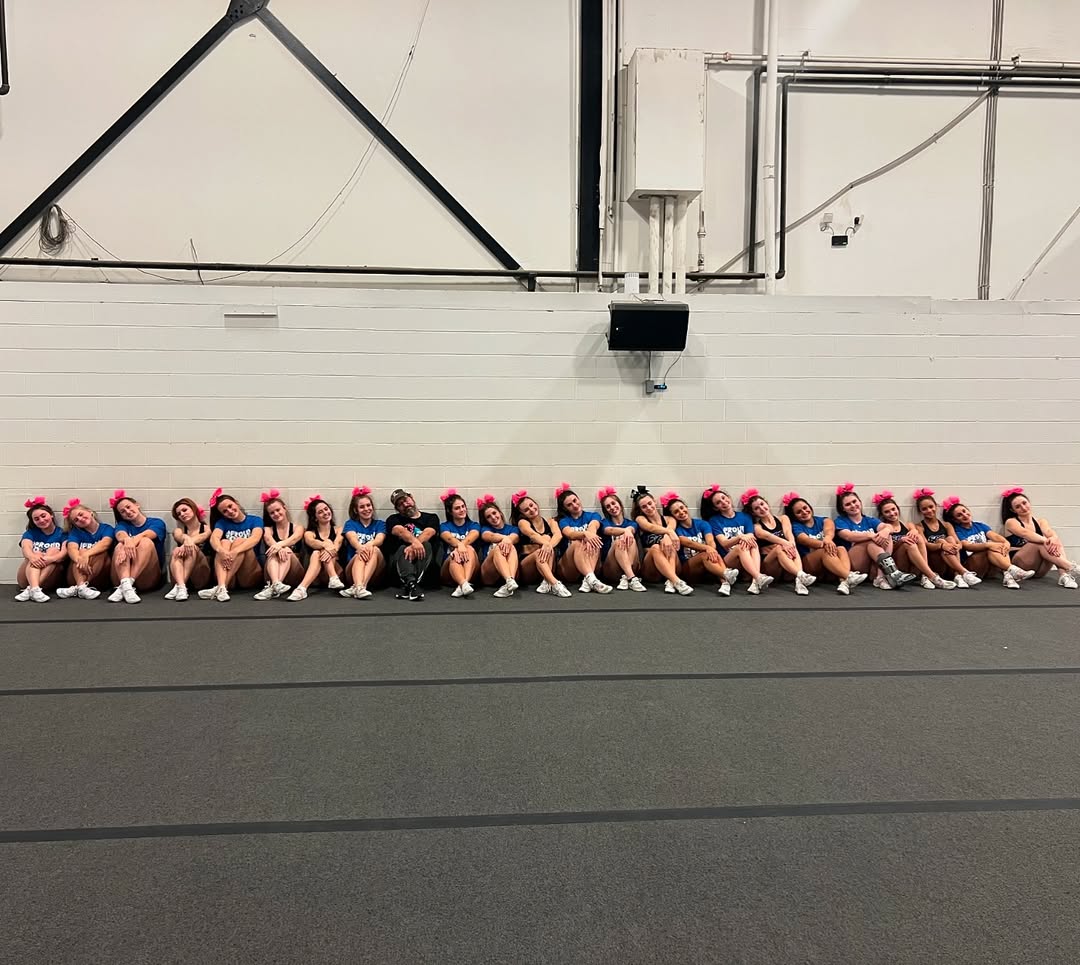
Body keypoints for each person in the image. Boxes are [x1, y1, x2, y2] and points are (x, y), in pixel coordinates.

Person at [833, 483, 916, 589]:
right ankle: (893, 572)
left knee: (887, 536)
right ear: (843, 508)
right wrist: (870, 535)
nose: (853, 505)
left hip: (873, 563)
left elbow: (888, 527)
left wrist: (886, 531)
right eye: (848, 504)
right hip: (854, 563)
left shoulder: (869, 520)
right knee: (870, 541)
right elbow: (848, 536)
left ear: (860, 502)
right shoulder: (840, 521)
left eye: (854, 501)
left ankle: (880, 577)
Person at [942, 495, 1034, 589]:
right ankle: (1012, 570)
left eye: (964, 511)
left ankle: (1008, 575)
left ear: (968, 510)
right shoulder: (957, 530)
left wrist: (1006, 543)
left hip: (989, 568)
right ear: (955, 520)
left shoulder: (980, 525)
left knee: (999, 545)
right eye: (959, 515)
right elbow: (967, 546)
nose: (964, 515)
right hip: (972, 566)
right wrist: (988, 545)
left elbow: (996, 536)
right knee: (991, 547)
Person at [873, 491, 956, 590]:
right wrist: (900, 541)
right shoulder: (884, 529)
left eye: (893, 509)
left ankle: (925, 575)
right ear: (882, 515)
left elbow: (915, 532)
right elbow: (886, 553)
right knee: (908, 544)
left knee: (918, 538)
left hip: (913, 566)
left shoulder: (908, 525)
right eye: (887, 512)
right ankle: (932, 576)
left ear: (898, 509)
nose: (892, 513)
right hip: (897, 566)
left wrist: (914, 531)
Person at [784, 493, 865, 594]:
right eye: (799, 512)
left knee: (841, 548)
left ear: (810, 507)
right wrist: (824, 544)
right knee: (824, 551)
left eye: (805, 508)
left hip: (828, 560)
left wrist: (828, 539)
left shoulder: (824, 520)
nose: (804, 512)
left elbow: (829, 530)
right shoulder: (796, 526)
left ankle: (844, 583)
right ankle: (848, 576)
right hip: (809, 563)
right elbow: (803, 539)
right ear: (794, 516)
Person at [1000, 487, 1080, 589]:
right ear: (1013, 510)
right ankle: (1071, 567)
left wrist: (1053, 538)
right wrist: (1048, 541)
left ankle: (1064, 576)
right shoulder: (1011, 522)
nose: (1023, 508)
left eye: (1024, 503)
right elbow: (1025, 534)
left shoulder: (1041, 521)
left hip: (1039, 570)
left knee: (1054, 541)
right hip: (1020, 565)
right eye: (1018, 507)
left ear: (1029, 502)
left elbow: (1050, 532)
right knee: (1038, 543)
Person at [743, 488, 816, 595]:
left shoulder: (783, 518)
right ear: (754, 513)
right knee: (780, 547)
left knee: (791, 545)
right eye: (757, 508)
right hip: (770, 566)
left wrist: (791, 543)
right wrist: (785, 543)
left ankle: (799, 581)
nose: (762, 508)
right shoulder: (757, 526)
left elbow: (788, 533)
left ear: (767, 503)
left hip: (787, 563)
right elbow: (766, 536)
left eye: (762, 504)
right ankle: (801, 575)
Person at [699, 485, 768, 593]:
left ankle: (755, 583)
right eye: (718, 502)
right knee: (740, 547)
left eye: (723, 498)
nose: (723, 502)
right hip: (728, 560)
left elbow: (750, 536)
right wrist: (740, 537)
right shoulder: (714, 520)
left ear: (729, 498)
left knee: (753, 544)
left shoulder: (745, 517)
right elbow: (724, 543)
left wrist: (745, 538)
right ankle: (758, 576)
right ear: (715, 508)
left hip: (746, 558)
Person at [199, 489, 265, 601]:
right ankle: (222, 587)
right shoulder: (222, 523)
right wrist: (221, 551)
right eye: (225, 511)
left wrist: (235, 551)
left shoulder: (255, 520)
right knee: (223, 542)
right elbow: (214, 538)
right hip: (231, 576)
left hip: (249, 573)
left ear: (236, 503)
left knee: (239, 541)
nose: (229, 511)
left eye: (230, 506)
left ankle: (220, 587)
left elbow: (255, 538)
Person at [664, 492, 731, 595]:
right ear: (673, 516)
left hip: (707, 565)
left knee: (713, 551)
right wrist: (707, 548)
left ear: (686, 507)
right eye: (676, 512)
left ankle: (725, 583)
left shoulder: (702, 524)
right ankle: (726, 574)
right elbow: (687, 542)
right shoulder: (676, 529)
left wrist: (711, 549)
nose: (681, 512)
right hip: (689, 568)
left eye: (682, 508)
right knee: (705, 554)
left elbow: (710, 541)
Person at [109, 489, 167, 604]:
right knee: (120, 545)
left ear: (137, 505)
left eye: (128, 507)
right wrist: (126, 540)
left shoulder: (156, 522)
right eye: (123, 511)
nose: (128, 511)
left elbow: (147, 534)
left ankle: (127, 584)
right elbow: (120, 534)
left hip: (146, 576)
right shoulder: (122, 525)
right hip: (120, 576)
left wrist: (130, 541)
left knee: (146, 542)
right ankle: (126, 584)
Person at [555, 484, 613, 594]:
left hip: (592, 563)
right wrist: (585, 534)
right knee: (578, 542)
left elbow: (594, 526)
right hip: (569, 568)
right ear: (565, 508)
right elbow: (570, 534)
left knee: (594, 540)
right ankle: (591, 579)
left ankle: (589, 579)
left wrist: (589, 535)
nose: (574, 505)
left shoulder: (593, 515)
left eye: (575, 500)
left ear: (579, 499)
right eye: (569, 505)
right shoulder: (564, 520)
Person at [511, 489, 570, 597]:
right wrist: (546, 543)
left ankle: (546, 581)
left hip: (546, 564)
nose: (531, 509)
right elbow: (533, 535)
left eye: (531, 505)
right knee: (543, 546)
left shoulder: (550, 521)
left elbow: (558, 535)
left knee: (547, 543)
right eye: (526, 510)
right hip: (527, 567)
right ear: (522, 514)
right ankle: (555, 584)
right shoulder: (523, 522)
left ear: (536, 504)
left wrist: (548, 545)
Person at [384, 488, 440, 601]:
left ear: (412, 497)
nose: (405, 504)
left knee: (426, 544)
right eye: (400, 504)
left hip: (425, 566)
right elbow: (400, 531)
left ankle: (409, 584)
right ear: (397, 509)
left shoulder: (431, 517)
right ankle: (411, 583)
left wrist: (415, 545)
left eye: (406, 500)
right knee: (402, 548)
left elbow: (429, 532)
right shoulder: (393, 519)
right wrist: (415, 543)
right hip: (400, 565)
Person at [287, 495, 345, 601]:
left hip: (338, 573)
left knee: (326, 545)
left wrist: (330, 547)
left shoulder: (338, 529)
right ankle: (302, 589)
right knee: (316, 552)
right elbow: (312, 542)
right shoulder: (309, 533)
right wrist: (326, 545)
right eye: (320, 512)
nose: (325, 513)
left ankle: (303, 587)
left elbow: (338, 543)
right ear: (315, 517)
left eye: (326, 509)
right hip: (316, 576)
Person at [631, 487, 687, 594]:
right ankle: (676, 581)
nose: (648, 508)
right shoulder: (640, 519)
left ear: (654, 502)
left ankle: (671, 581)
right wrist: (667, 534)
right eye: (644, 507)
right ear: (641, 509)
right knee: (655, 547)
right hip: (652, 569)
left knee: (669, 545)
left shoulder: (670, 519)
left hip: (673, 562)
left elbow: (671, 529)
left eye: (650, 503)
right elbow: (651, 528)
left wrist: (667, 536)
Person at [913, 488, 973, 586]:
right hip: (934, 562)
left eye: (931, 507)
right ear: (920, 511)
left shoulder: (946, 525)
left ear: (936, 506)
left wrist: (958, 546)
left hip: (949, 563)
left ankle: (957, 575)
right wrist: (941, 545)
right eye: (924, 509)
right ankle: (963, 572)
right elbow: (926, 545)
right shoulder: (920, 526)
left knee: (950, 539)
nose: (929, 510)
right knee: (942, 540)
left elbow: (958, 542)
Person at [55, 499, 114, 600]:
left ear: (90, 512)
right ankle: (81, 586)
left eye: (81, 514)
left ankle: (78, 588)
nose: (80, 519)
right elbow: (71, 548)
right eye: (76, 520)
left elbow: (105, 543)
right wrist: (80, 558)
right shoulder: (76, 532)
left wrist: (86, 555)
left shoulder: (106, 528)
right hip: (75, 576)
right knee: (80, 552)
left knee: (100, 552)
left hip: (100, 576)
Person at [254, 489, 306, 601]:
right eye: (272, 513)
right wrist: (277, 548)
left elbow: (295, 538)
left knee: (286, 550)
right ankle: (276, 584)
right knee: (274, 551)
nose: (276, 514)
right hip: (272, 572)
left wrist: (280, 546)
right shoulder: (268, 529)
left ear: (284, 508)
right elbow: (268, 539)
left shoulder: (298, 527)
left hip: (294, 573)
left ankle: (273, 587)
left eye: (278, 510)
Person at [15, 496, 67, 602]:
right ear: (33, 521)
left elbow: (63, 554)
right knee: (35, 553)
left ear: (51, 514)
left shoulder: (62, 533)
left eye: (43, 516)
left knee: (53, 550)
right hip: (25, 578)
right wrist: (33, 557)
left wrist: (49, 559)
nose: (41, 520)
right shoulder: (30, 533)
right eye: (36, 519)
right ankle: (34, 589)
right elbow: (26, 548)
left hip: (50, 578)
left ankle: (32, 589)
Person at [341, 486, 386, 599]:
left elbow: (379, 540)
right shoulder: (350, 524)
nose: (366, 509)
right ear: (356, 510)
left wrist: (369, 544)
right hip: (353, 569)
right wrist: (359, 547)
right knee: (360, 552)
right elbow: (352, 538)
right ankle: (360, 587)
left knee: (374, 549)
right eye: (361, 507)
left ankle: (358, 587)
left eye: (368, 505)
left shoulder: (380, 524)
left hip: (375, 572)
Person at [598, 486, 646, 591]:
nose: (612, 507)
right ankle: (631, 578)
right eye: (608, 506)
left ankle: (627, 576)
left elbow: (632, 529)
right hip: (611, 568)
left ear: (620, 504)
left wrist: (628, 531)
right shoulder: (604, 522)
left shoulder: (631, 523)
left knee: (630, 538)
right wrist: (625, 531)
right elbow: (609, 530)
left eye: (613, 503)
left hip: (633, 565)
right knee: (619, 541)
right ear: (606, 510)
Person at [165, 498, 212, 600]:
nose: (182, 514)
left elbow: (203, 536)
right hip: (179, 576)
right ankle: (181, 586)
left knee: (192, 548)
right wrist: (185, 538)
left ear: (193, 509)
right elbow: (179, 536)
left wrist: (188, 541)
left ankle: (179, 586)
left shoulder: (206, 528)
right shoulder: (179, 530)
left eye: (184, 510)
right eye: (179, 514)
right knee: (176, 551)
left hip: (200, 576)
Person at [439, 489, 482, 598]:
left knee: (469, 548)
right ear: (450, 511)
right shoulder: (444, 526)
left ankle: (463, 583)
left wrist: (461, 546)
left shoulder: (474, 525)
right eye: (457, 508)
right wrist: (459, 547)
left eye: (463, 506)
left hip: (472, 568)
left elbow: (473, 535)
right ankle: (464, 584)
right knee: (454, 553)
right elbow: (448, 538)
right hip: (449, 569)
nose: (462, 510)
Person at [477, 496, 521, 598]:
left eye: (494, 513)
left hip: (512, 571)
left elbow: (515, 537)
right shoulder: (485, 529)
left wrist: (508, 540)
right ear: (486, 520)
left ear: (500, 513)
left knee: (511, 546)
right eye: (488, 517)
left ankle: (509, 582)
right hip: (489, 573)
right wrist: (505, 539)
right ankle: (509, 581)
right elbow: (489, 536)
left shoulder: (513, 528)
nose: (493, 517)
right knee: (498, 548)